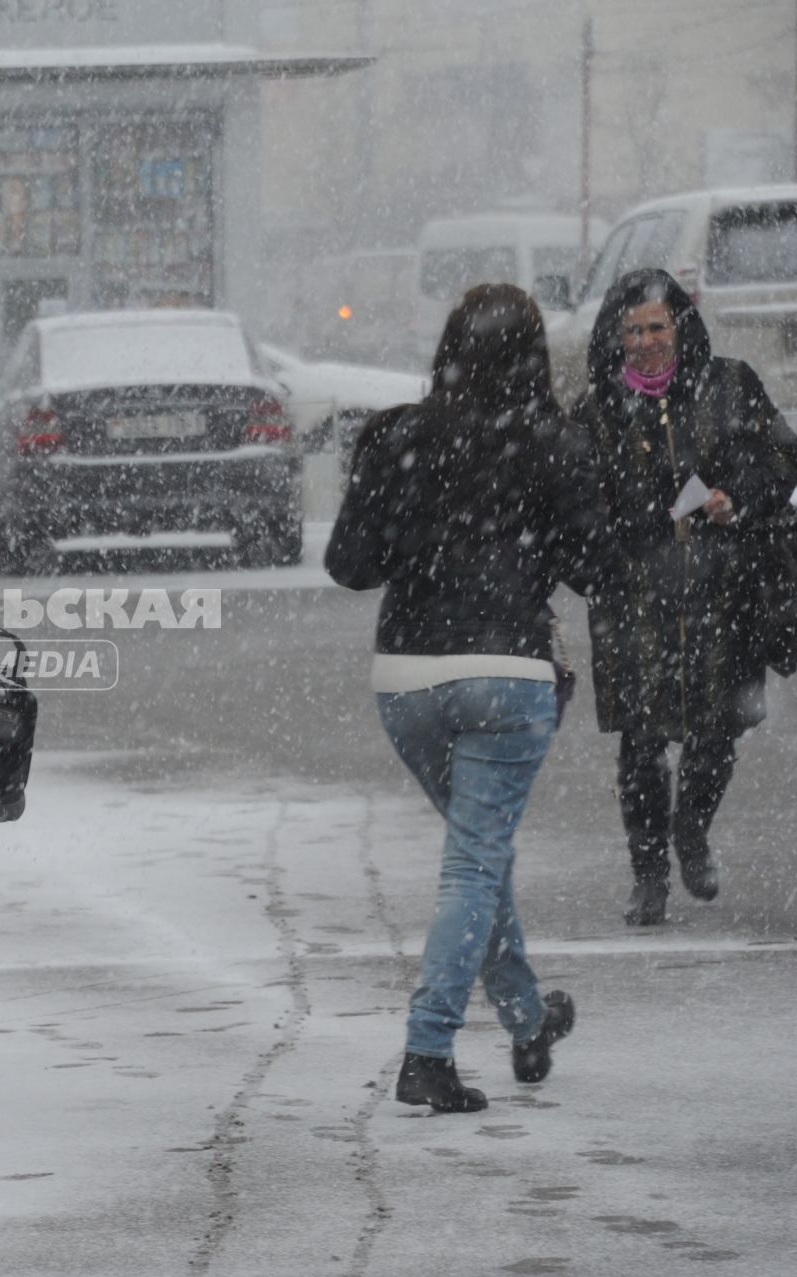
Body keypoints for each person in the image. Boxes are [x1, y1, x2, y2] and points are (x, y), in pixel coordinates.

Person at [326, 284, 606, 1113]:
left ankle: (527, 1018)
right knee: (476, 862)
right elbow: (594, 569)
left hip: (407, 678)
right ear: (531, 357)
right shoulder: (554, 443)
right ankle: (428, 1049)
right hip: (506, 672)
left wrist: (419, 520)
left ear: (447, 351)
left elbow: (351, 565)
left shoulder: (398, 437)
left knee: (479, 858)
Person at [569, 269, 786, 926]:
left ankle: (690, 829)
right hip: (636, 601)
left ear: (680, 326)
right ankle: (649, 873)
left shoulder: (732, 384)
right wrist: (628, 534)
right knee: (640, 742)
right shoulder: (596, 412)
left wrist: (734, 499)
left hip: (725, 594)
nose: (644, 342)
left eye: (656, 326)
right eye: (631, 330)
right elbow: (578, 510)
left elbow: (779, 463)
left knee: (717, 732)